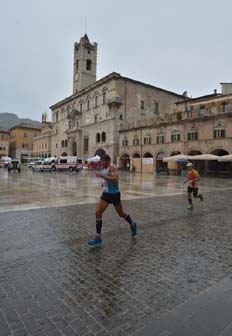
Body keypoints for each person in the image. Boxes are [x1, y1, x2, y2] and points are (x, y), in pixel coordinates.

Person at [88, 154, 137, 246]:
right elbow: (107, 179)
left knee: (121, 214)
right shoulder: (104, 168)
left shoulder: (112, 168)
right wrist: (103, 183)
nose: (101, 163)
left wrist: (103, 176)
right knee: (98, 213)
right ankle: (98, 237)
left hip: (114, 195)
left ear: (108, 161)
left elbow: (115, 179)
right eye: (101, 161)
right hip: (106, 194)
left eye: (103, 161)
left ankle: (132, 224)